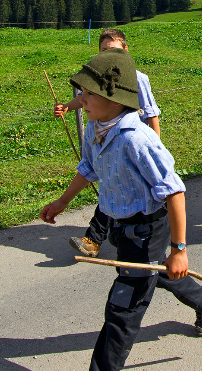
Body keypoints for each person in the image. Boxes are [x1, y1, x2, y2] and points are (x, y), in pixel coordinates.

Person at [40, 48, 202, 371]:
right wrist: (61, 202)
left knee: (123, 304)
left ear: (113, 99)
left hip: (148, 227)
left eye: (88, 94)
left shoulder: (137, 139)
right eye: (81, 93)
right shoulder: (96, 128)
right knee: (154, 273)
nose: (81, 100)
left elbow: (174, 192)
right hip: (121, 227)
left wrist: (180, 249)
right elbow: (88, 168)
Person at [55, 28, 161, 258]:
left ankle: (100, 238)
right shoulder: (97, 77)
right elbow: (83, 98)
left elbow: (151, 113)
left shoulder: (138, 79)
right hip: (101, 141)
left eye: (113, 50)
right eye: (103, 50)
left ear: (126, 50)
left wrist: (156, 145)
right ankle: (111, 237)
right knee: (112, 188)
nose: (108, 54)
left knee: (117, 189)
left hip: (127, 145)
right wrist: (67, 107)